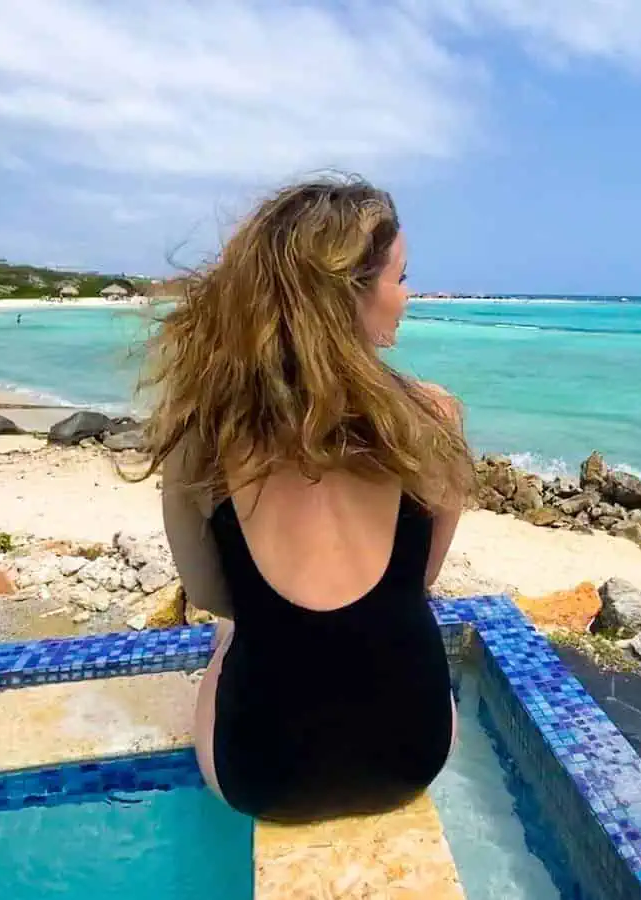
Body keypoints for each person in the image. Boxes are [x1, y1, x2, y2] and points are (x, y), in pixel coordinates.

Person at [127, 177, 474, 823]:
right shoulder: (433, 418)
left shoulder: (206, 432)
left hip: (263, 780)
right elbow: (418, 581)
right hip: (414, 757)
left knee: (231, 634)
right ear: (351, 292)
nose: (407, 297)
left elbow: (208, 593)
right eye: (400, 278)